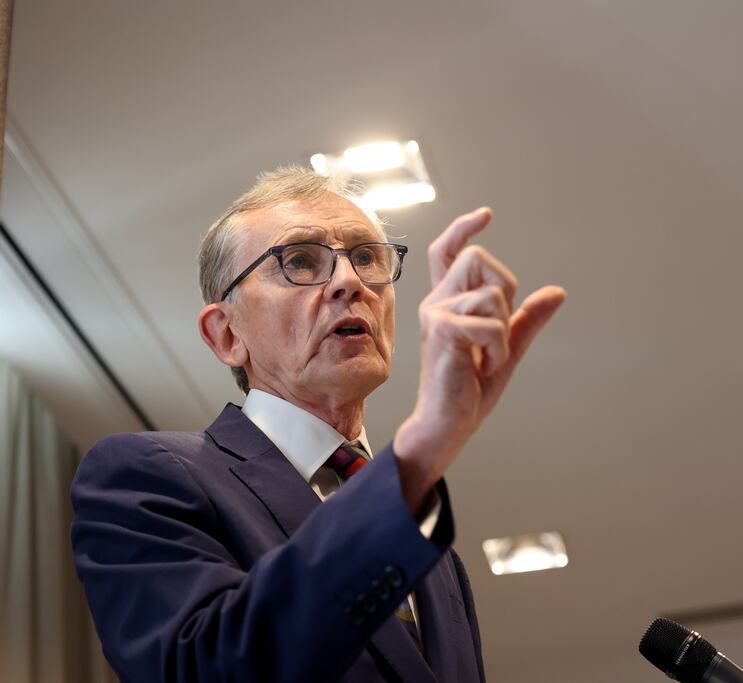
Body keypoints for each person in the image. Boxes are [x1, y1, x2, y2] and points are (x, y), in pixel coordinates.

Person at [70, 165, 566, 682]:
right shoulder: (144, 475)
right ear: (226, 334)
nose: (350, 282)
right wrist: (426, 442)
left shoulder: (433, 551)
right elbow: (206, 669)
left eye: (366, 257)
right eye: (300, 262)